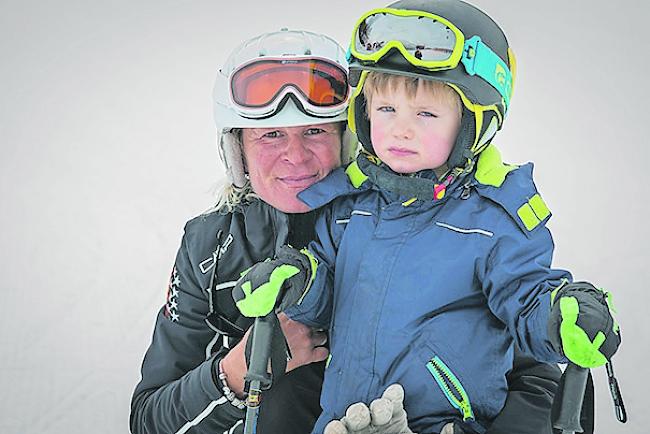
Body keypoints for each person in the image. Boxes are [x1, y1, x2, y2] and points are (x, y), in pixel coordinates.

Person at [132, 27, 568, 434]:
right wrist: (235, 372)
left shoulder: (425, 223)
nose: (295, 157)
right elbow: (149, 417)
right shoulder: (211, 247)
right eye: (270, 136)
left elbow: (539, 377)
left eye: (316, 131)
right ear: (238, 149)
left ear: (348, 135)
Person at [231, 2, 621, 434]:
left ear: (474, 124)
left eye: (426, 114)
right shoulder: (348, 207)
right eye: (386, 110)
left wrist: (558, 316)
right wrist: (299, 282)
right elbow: (329, 298)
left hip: (445, 423)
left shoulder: (491, 221)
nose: (401, 130)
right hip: (342, 420)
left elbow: (525, 297)